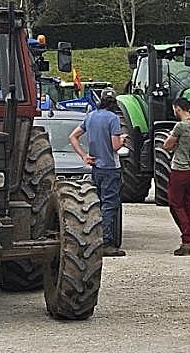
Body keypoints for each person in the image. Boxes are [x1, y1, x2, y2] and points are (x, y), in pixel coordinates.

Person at [69, 93, 127, 257]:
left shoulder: (91, 116)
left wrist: (84, 156)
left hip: (95, 167)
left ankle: (92, 239)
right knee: (109, 205)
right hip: (111, 167)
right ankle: (106, 242)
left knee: (96, 204)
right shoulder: (113, 118)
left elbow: (72, 136)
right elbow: (115, 146)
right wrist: (122, 139)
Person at [162, 96, 190, 255]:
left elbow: (166, 145)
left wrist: (173, 141)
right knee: (189, 205)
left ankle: (187, 239)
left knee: (175, 204)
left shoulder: (180, 126)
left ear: (178, 108)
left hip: (179, 169)